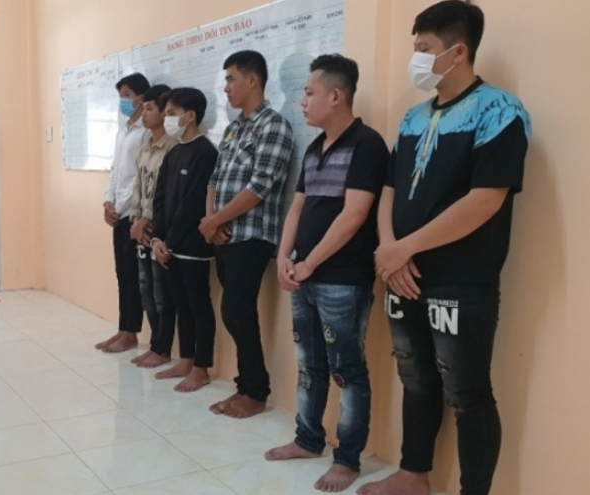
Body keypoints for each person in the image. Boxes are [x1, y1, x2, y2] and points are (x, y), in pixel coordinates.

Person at [360, 2, 532, 495]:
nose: (416, 58)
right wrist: (389, 248)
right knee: (415, 379)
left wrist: (404, 248)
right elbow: (390, 187)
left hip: (461, 279)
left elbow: (486, 200)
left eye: (424, 48)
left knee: (467, 391)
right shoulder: (413, 117)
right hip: (401, 273)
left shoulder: (501, 111)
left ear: (457, 52)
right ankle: (413, 474)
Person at [264, 54, 388, 493]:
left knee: (346, 371)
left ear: (336, 96)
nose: (302, 101)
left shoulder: (367, 145)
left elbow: (354, 215)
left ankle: (348, 459)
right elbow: (298, 207)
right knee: (309, 364)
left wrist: (308, 262)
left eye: (309, 92)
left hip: (342, 279)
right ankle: (307, 438)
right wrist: (284, 256)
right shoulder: (316, 148)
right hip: (304, 275)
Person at [201, 50, 294, 418]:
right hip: (224, 234)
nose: (226, 87)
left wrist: (215, 221)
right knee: (238, 314)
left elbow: (260, 187)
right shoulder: (233, 128)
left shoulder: (274, 126)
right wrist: (211, 220)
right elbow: (215, 178)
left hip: (253, 236)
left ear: (252, 80)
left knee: (236, 312)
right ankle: (246, 386)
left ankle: (256, 391)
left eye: (230, 79)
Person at [151, 87, 219, 392]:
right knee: (179, 303)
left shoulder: (206, 153)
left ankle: (202, 368)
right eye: (166, 113)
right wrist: (157, 239)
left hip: (192, 247)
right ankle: (186, 359)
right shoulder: (173, 152)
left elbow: (192, 205)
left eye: (172, 113)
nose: (167, 118)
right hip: (168, 246)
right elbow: (160, 198)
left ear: (190, 116)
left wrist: (170, 242)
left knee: (198, 305)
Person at [97, 73, 151, 353]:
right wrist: (108, 202)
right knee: (122, 274)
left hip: (133, 214)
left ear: (141, 97)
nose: (123, 101)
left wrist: (123, 208)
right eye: (120, 96)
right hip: (119, 212)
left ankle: (131, 332)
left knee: (134, 275)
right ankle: (123, 329)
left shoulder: (145, 132)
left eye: (127, 95)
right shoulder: (123, 130)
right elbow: (116, 171)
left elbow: (140, 178)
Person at [129, 84, 177, 368]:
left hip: (159, 229)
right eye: (143, 108)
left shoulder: (172, 147)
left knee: (161, 292)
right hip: (142, 229)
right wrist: (136, 219)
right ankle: (155, 343)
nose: (144, 113)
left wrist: (146, 220)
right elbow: (138, 186)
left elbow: (164, 192)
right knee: (145, 287)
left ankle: (163, 347)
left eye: (150, 108)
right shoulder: (144, 146)